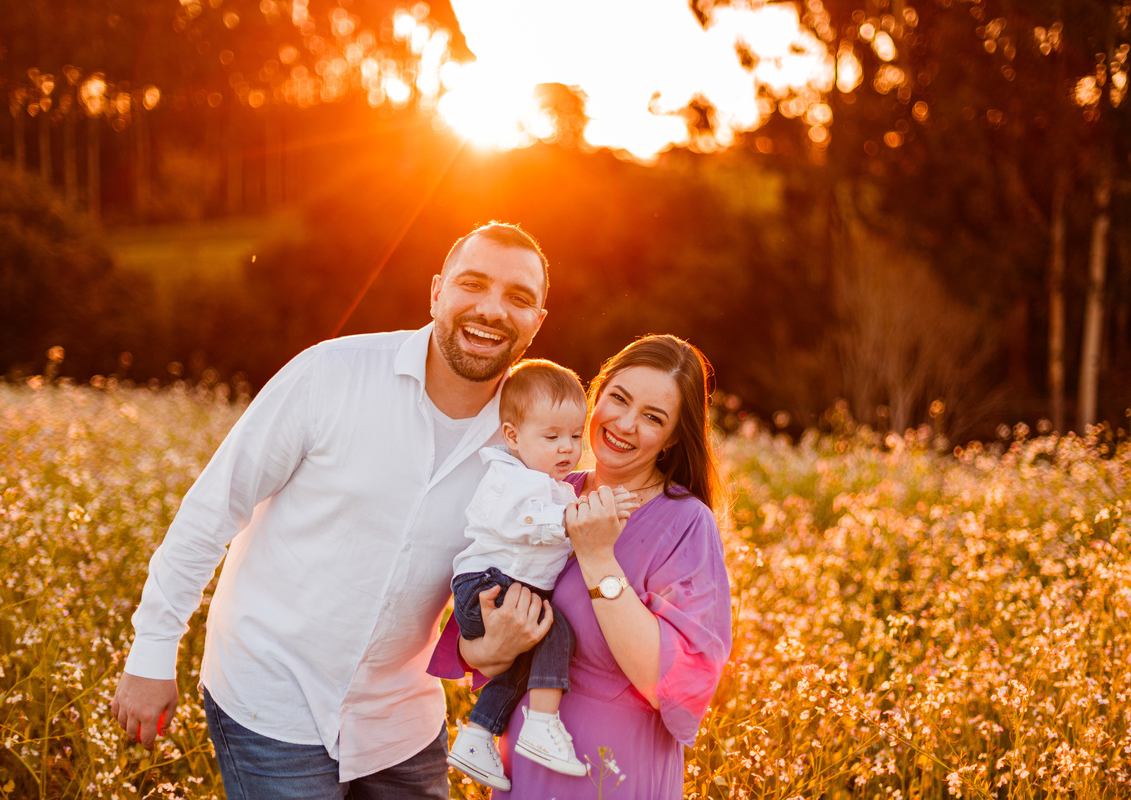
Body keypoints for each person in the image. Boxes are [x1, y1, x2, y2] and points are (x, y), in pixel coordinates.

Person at [110, 222, 560, 800]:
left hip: (401, 717)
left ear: (538, 321)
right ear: (436, 292)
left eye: (519, 298)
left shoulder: (532, 445)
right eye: (472, 284)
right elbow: (212, 508)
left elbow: (526, 572)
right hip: (270, 699)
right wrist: (151, 650)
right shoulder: (331, 374)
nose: (492, 309)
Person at [430, 334, 734, 800]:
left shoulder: (686, 522)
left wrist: (597, 557)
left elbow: (668, 683)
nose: (626, 424)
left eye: (653, 417)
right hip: (524, 769)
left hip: (613, 770)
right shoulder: (547, 490)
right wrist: (494, 644)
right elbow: (477, 648)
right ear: (597, 394)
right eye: (619, 399)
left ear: (673, 436)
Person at [447, 359, 634, 790]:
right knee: (556, 633)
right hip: (488, 587)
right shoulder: (509, 479)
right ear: (512, 435)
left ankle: (476, 736)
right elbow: (525, 520)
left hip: (505, 585)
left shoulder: (551, 483)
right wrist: (576, 517)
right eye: (551, 437)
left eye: (573, 434)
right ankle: (541, 724)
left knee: (522, 662)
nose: (566, 447)